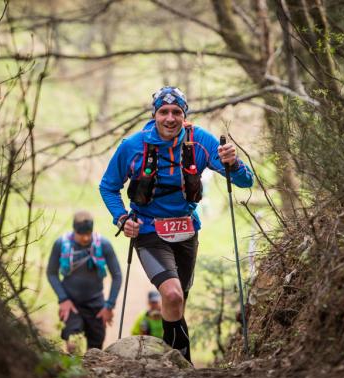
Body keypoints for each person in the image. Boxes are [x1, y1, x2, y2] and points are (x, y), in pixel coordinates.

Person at [99, 86, 254, 362]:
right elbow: (108, 187)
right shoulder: (132, 146)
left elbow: (245, 181)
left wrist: (234, 162)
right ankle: (182, 359)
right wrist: (122, 219)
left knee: (178, 300)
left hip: (186, 231)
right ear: (154, 114)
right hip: (148, 230)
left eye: (176, 112)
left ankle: (171, 362)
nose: (170, 118)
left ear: (185, 115)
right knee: (171, 295)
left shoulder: (200, 142)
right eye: (163, 112)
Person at [46, 210, 122, 352]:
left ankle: (92, 374)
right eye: (82, 234)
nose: (86, 238)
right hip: (71, 305)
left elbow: (117, 275)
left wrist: (109, 305)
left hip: (97, 306)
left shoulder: (103, 244)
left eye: (89, 234)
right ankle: (74, 373)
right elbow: (51, 273)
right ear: (74, 230)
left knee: (96, 350)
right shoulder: (61, 244)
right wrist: (63, 299)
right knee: (73, 344)